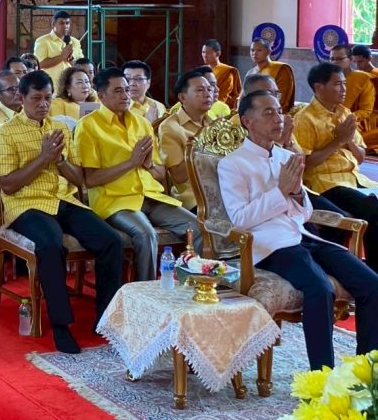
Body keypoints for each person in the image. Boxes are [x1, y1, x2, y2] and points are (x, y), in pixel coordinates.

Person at [219, 90, 378, 370]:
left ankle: (366, 370)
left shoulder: (286, 156)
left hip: (304, 236)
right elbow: (240, 219)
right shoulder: (232, 164)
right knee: (320, 289)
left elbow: (305, 213)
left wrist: (295, 194)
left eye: (279, 111)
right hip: (270, 246)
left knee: (371, 284)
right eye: (268, 112)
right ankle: (321, 376)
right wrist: (281, 192)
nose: (278, 118)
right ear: (247, 121)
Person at [0, 70, 123, 354]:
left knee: (111, 240)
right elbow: (8, 185)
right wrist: (44, 158)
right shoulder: (5, 132)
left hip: (63, 199)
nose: (43, 104)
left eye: (48, 98)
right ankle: (61, 325)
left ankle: (105, 318)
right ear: (21, 98)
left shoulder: (61, 128)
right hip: (26, 205)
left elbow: (79, 179)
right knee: (51, 244)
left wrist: (60, 159)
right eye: (36, 98)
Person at [74, 67, 201, 281]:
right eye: (118, 91)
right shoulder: (88, 126)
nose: (125, 95)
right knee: (145, 234)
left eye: (126, 90)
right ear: (101, 96)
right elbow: (91, 179)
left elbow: (160, 173)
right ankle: (144, 292)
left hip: (151, 196)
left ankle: (194, 285)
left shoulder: (141, 123)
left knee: (197, 227)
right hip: (115, 200)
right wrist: (131, 163)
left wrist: (148, 164)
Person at [293, 62, 378, 273]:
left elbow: (360, 157)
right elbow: (304, 163)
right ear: (318, 87)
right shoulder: (305, 118)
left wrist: (348, 140)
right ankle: (372, 273)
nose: (344, 89)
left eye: (344, 84)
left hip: (354, 179)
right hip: (326, 184)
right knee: (373, 211)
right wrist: (338, 141)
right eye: (337, 84)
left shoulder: (345, 113)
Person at [158, 69, 215, 211]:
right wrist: (202, 145)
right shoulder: (170, 127)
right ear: (183, 98)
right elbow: (178, 176)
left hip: (224, 193)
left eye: (209, 89)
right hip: (195, 199)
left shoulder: (214, 123)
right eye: (200, 90)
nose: (207, 94)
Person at [33, 10, 84, 88]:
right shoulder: (42, 41)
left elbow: (81, 66)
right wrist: (61, 57)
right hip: (51, 87)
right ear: (53, 24)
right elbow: (39, 65)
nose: (65, 26)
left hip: (71, 87)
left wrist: (71, 59)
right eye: (61, 23)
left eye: (67, 23)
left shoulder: (75, 42)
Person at [329, 44, 375, 128]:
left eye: (340, 59)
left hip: (353, 123)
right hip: (328, 121)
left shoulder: (363, 79)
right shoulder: (327, 79)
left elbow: (366, 110)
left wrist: (344, 118)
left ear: (350, 59)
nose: (334, 62)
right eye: (332, 59)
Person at [247, 38, 295, 113]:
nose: (254, 53)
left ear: (269, 51)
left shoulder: (280, 69)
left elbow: (281, 99)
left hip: (272, 113)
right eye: (252, 50)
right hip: (250, 113)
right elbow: (243, 97)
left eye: (259, 50)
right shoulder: (250, 72)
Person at [201, 38, 241, 109]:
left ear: (218, 54)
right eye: (203, 52)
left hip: (220, 108)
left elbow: (222, 96)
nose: (205, 55)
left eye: (208, 53)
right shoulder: (202, 69)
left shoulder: (226, 72)